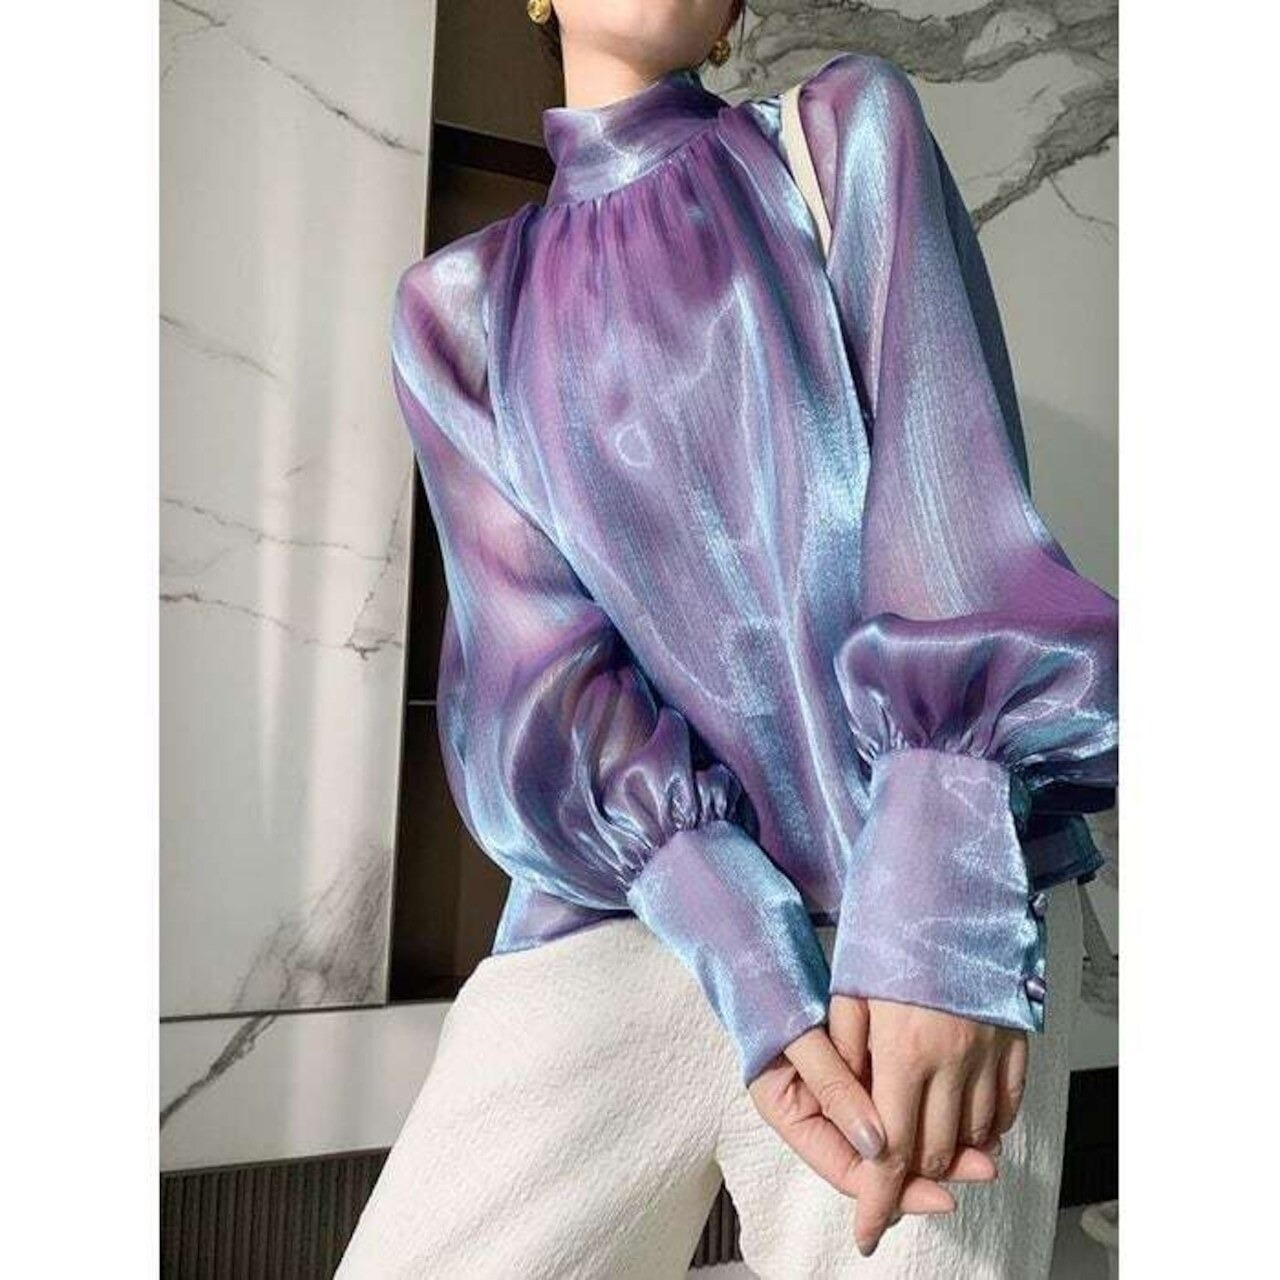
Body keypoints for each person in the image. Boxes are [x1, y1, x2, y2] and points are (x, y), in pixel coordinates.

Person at [337, 2, 1118, 1275]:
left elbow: (949, 520)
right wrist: (736, 940)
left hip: (909, 914)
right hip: (629, 911)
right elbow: (541, 675)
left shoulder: (839, 135)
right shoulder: (455, 309)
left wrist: (940, 908)